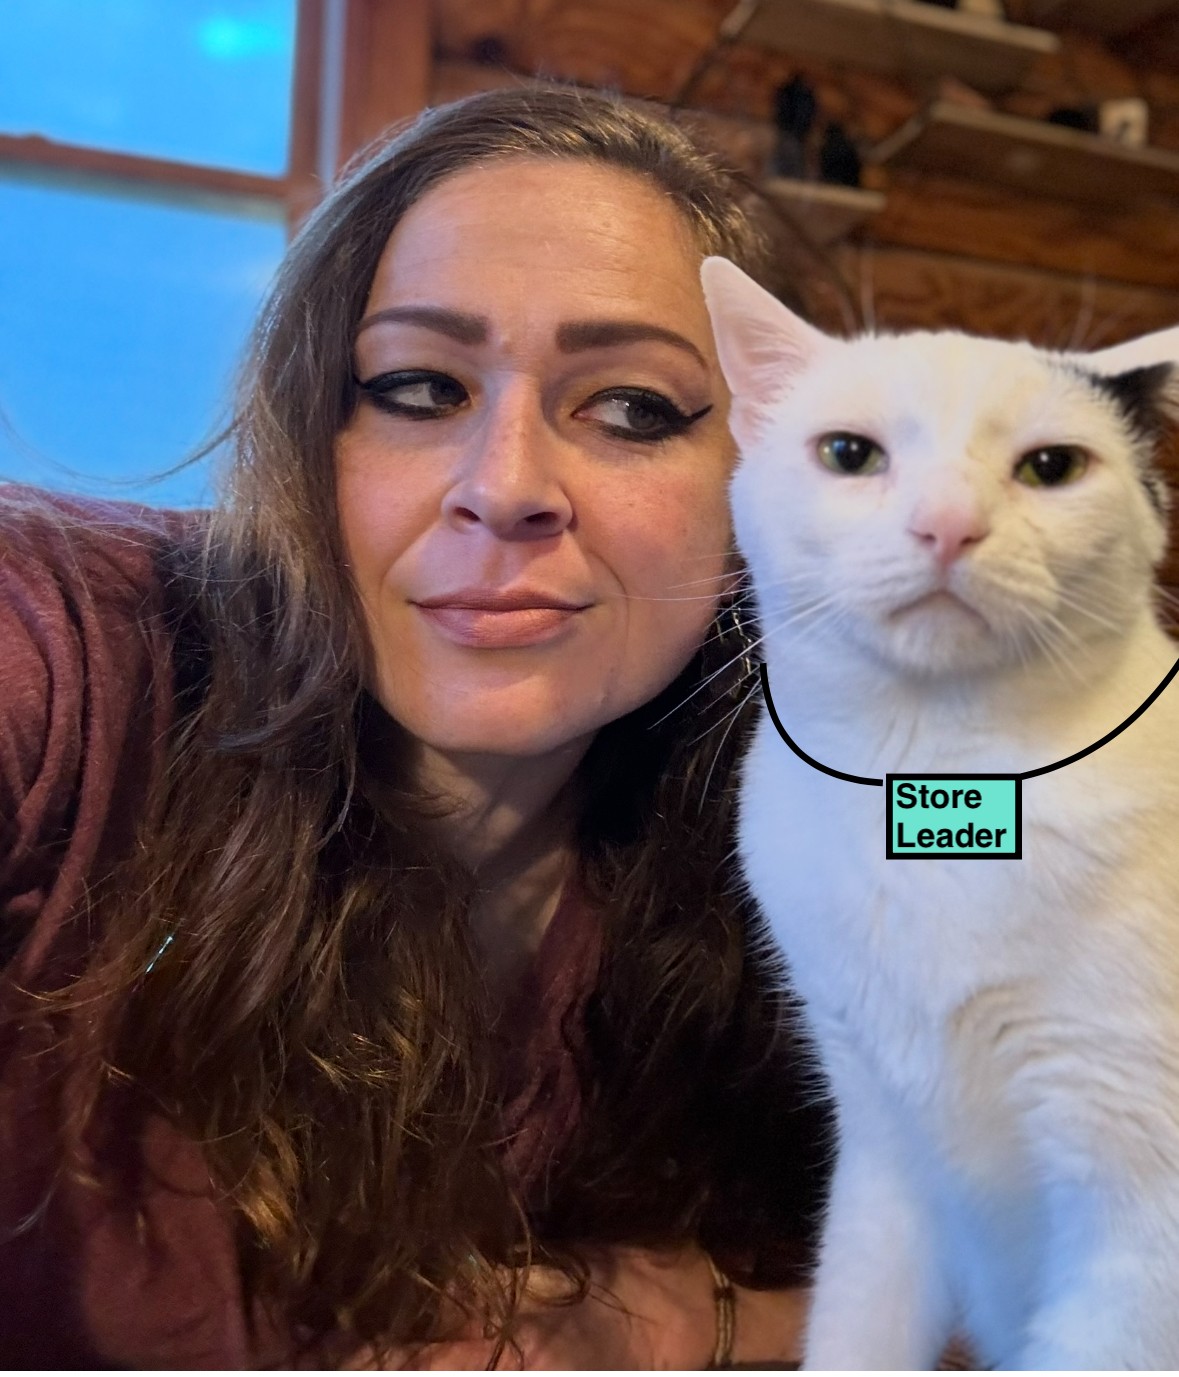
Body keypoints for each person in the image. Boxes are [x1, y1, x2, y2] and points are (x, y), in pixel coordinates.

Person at [0, 83, 829, 1368]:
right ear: (310, 436)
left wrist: (706, 1316)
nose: (503, 488)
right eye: (418, 387)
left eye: (633, 408)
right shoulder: (76, 654)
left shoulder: (838, 782)